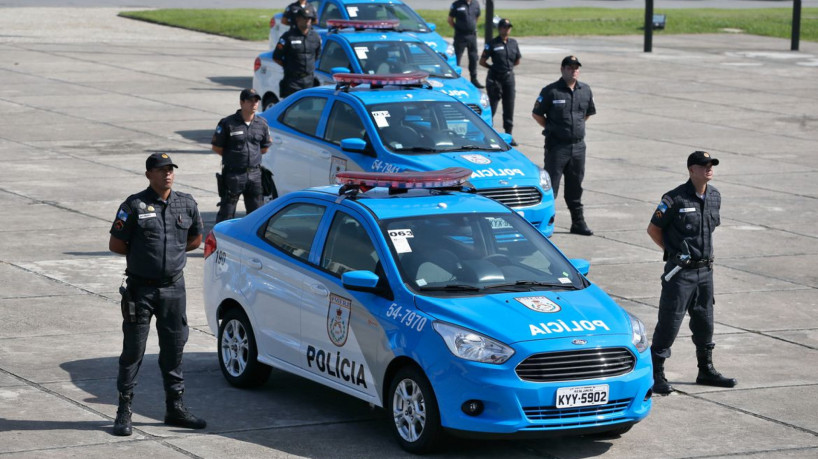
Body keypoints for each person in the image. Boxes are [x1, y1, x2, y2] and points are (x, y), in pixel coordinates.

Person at [109, 153, 206, 436]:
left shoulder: (186, 203)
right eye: (161, 170)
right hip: (141, 289)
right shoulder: (134, 205)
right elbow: (117, 243)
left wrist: (171, 256)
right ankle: (124, 411)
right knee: (133, 351)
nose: (167, 174)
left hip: (174, 288)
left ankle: (175, 408)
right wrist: (144, 257)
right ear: (149, 174)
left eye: (170, 170)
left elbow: (195, 238)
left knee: (174, 349)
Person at [647, 151, 738, 395]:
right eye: (703, 165)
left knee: (704, 321)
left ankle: (705, 370)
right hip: (681, 273)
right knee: (670, 322)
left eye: (711, 165)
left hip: (706, 271)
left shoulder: (715, 196)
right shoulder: (674, 198)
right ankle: (656, 373)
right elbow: (653, 229)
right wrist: (673, 252)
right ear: (691, 170)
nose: (709, 168)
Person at [531, 55, 596, 236]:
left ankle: (578, 222)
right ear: (562, 69)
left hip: (578, 147)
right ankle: (546, 222)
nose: (573, 70)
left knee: (575, 186)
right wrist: (553, 128)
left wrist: (574, 129)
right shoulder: (551, 91)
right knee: (552, 186)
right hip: (557, 147)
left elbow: (587, 113)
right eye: (569, 67)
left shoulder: (585, 90)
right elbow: (537, 114)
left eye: (576, 67)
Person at [211, 88, 273, 223]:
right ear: (241, 102)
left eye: (256, 101)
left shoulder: (262, 124)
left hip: (255, 175)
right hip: (233, 174)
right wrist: (235, 158)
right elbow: (217, 147)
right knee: (227, 212)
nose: (254, 104)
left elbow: (264, 147)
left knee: (256, 214)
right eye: (250, 101)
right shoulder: (228, 123)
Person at [479, 18, 520, 144]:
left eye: (508, 27)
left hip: (509, 78)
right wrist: (493, 68)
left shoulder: (513, 43)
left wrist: (507, 69)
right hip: (495, 79)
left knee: (509, 107)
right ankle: (486, 134)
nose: (506, 30)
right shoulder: (492, 43)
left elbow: (517, 60)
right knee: (492, 107)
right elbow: (482, 61)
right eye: (504, 27)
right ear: (499, 28)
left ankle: (508, 134)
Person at [273, 6, 321, 99]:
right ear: (298, 19)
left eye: (310, 18)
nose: (308, 20)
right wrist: (289, 67)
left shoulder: (316, 37)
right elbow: (276, 57)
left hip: (309, 82)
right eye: (305, 18)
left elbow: (316, 55)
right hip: (292, 82)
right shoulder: (288, 37)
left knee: (307, 111)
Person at [447, 0, 483, 88]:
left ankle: (474, 79)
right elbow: (450, 20)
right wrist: (458, 28)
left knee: (473, 58)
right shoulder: (456, 4)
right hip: (460, 36)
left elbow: (477, 17)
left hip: (472, 36)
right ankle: (455, 79)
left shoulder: (476, 3)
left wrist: (471, 26)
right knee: (457, 58)